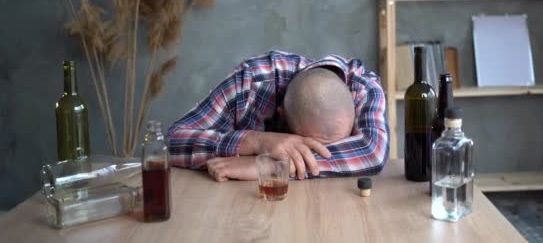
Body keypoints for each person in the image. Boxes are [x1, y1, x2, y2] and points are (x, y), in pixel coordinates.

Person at [167, 50, 390, 181]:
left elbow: (374, 152)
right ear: (282, 118)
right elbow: (170, 145)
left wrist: (270, 167)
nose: (322, 154)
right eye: (306, 146)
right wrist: (255, 142)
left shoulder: (363, 88)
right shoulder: (250, 82)